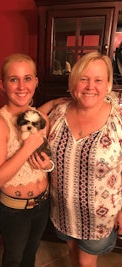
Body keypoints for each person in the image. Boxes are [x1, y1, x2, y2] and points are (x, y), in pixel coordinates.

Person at [39, 51, 122, 267]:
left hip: (99, 216)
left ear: (108, 85)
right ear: (74, 82)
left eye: (98, 80)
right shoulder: (59, 112)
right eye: (83, 79)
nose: (89, 86)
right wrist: (52, 102)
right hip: (63, 210)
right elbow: (25, 123)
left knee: (86, 263)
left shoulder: (119, 119)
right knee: (74, 256)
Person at [0, 53, 54, 267]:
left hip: (42, 204)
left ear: (36, 82)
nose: (22, 86)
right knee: (14, 258)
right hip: (14, 211)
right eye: (14, 79)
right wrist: (27, 147)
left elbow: (47, 160)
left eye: (27, 78)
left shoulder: (42, 119)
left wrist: (48, 165)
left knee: (30, 254)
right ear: (2, 85)